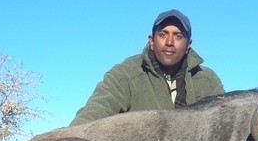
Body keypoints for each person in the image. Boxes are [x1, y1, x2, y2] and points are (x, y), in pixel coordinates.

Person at [70, 9, 225, 126]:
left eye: (178, 36)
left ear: (188, 46)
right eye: (163, 34)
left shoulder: (208, 80)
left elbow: (224, 123)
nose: (169, 42)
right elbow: (92, 115)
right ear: (151, 41)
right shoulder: (124, 75)